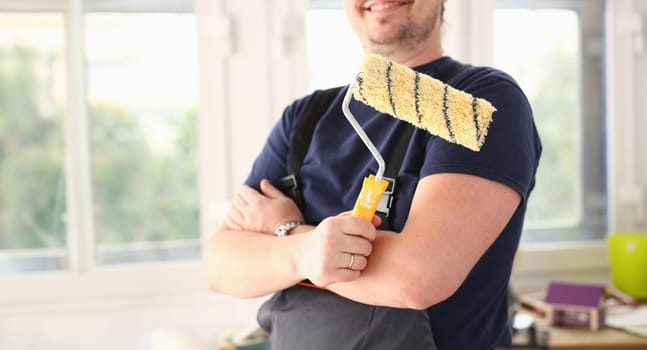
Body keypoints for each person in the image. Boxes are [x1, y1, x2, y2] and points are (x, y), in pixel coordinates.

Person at [204, 0, 542, 349]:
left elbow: (416, 278)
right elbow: (221, 267)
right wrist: (304, 251)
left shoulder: (481, 102)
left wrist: (289, 232)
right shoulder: (305, 118)